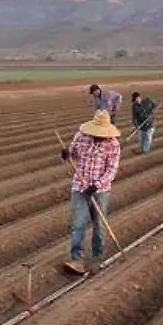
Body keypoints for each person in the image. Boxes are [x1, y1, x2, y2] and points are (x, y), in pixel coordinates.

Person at [60, 110, 122, 274]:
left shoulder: (113, 144)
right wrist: (67, 155)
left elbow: (112, 170)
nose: (98, 137)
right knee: (78, 223)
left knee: (99, 224)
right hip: (79, 187)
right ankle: (76, 259)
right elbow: (72, 154)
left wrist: (96, 185)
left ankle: (98, 257)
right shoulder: (81, 136)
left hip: (100, 190)